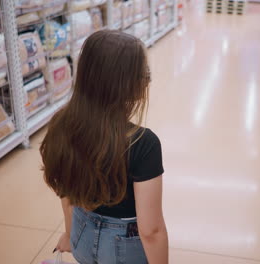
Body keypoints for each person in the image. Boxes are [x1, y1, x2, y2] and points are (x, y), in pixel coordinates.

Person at [40, 30, 168, 264]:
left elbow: (66, 192)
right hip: (125, 248)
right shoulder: (144, 143)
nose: (148, 78)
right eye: (143, 73)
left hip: (81, 236)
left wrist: (69, 234)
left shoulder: (63, 124)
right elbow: (151, 230)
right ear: (123, 83)